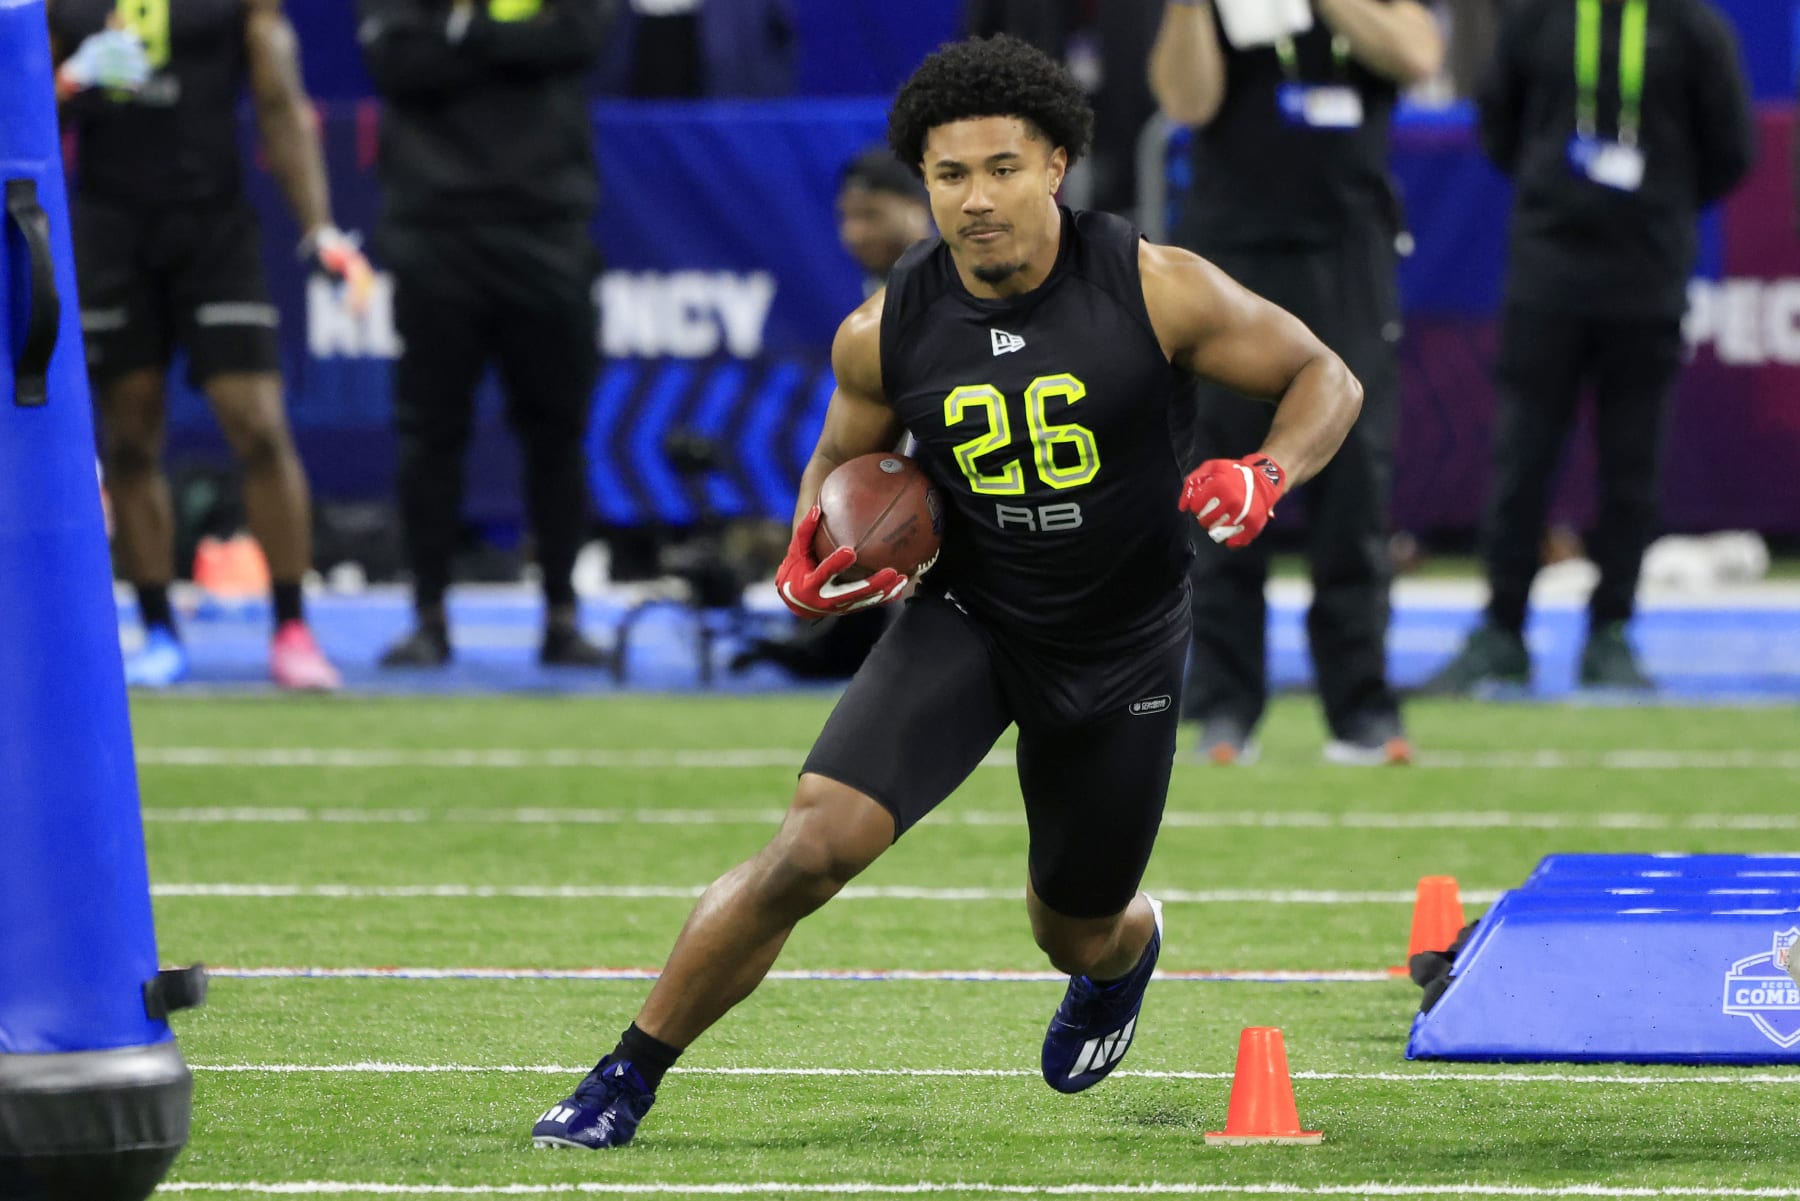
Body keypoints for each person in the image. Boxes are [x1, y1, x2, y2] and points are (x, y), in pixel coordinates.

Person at [528, 33, 1363, 1150]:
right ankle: (625, 1073)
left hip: (1121, 643)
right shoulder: (886, 329)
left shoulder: (1152, 285)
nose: (976, 198)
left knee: (1074, 930)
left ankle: (1125, 952)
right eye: (949, 173)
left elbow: (1326, 375)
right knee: (812, 844)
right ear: (922, 181)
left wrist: (1267, 471)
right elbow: (838, 461)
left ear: (1057, 164)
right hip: (969, 617)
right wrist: (811, 554)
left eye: (1002, 167)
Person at [1421, 0, 1753, 694]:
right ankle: (1501, 628)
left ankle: (1612, 631)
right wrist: (1558, 194)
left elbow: (1730, 150)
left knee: (1632, 467)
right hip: (1550, 273)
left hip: (1647, 275)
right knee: (1522, 456)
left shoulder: (1690, 25)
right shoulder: (1537, 16)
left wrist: (1658, 203)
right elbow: (1498, 126)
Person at [1150, 0, 1441, 767]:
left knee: (1355, 493)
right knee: (1218, 485)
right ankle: (1222, 705)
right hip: (1232, 259)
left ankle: (1360, 709)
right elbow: (1186, 102)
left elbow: (1418, 56)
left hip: (1346, 255)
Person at [48, 0, 368, 690]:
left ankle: (291, 625)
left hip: (214, 227)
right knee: (130, 436)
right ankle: (159, 625)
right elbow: (21, 112)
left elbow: (280, 99)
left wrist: (320, 226)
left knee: (257, 423)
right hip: (112, 229)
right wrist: (69, 83)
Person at [357, 0, 614, 668]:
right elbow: (396, 62)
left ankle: (562, 615)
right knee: (430, 434)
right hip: (435, 228)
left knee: (557, 433)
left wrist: (461, 32)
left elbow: (579, 38)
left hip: (546, 227)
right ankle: (428, 615)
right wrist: (514, 44)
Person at [730, 148, 932, 681]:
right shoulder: (879, 297)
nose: (854, 234)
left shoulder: (950, 286)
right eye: (846, 217)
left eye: (870, 214)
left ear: (919, 205)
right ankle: (846, 635)